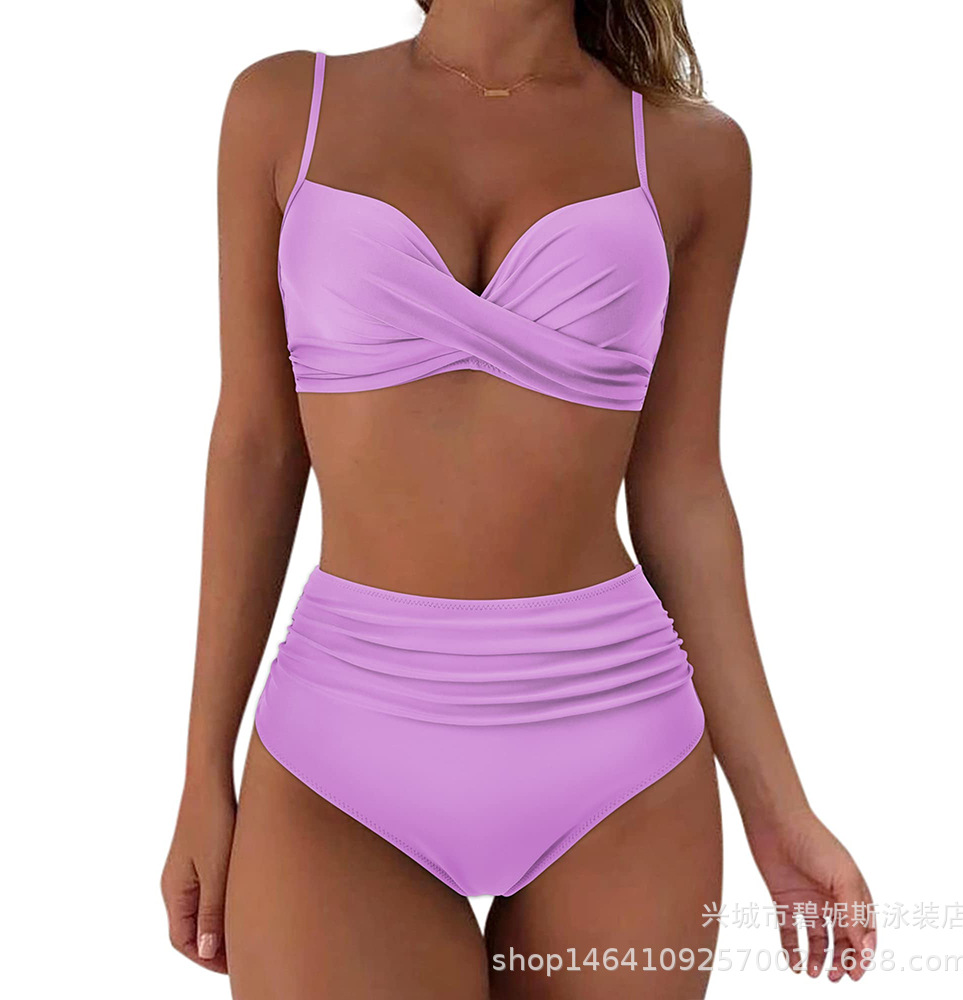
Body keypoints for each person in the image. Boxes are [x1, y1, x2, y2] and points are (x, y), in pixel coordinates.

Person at [161, 1, 875, 996]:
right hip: (341, 755)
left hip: (620, 760)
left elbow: (680, 492)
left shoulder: (691, 152)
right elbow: (254, 447)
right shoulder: (285, 108)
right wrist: (203, 769)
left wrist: (777, 809)